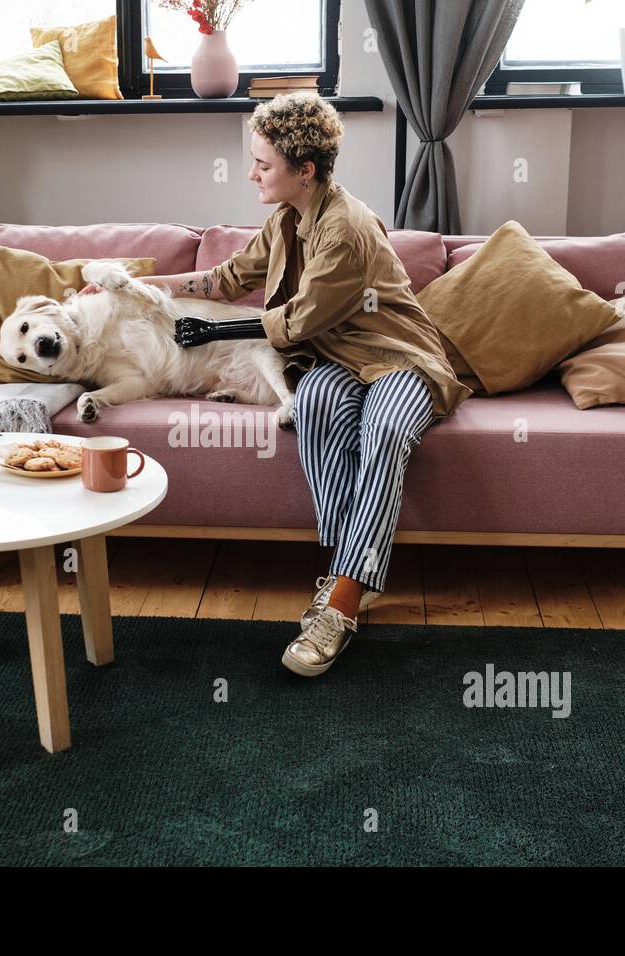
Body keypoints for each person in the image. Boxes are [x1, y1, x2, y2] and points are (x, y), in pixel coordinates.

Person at [87, 92, 471, 676]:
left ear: (305, 170)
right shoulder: (286, 220)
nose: (252, 173)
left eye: (263, 164)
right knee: (312, 405)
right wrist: (137, 288)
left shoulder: (344, 230)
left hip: (398, 358)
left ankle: (340, 605)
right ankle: (352, 570)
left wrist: (208, 330)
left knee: (386, 430)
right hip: (335, 360)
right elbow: (226, 279)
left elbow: (296, 322)